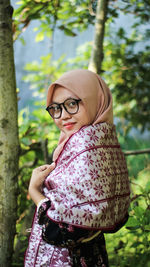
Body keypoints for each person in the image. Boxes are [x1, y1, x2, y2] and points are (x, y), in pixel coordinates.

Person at [24, 69, 130, 267]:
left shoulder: (86, 147)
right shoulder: (103, 140)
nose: (63, 116)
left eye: (72, 104)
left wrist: (35, 191)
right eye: (55, 108)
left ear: (93, 100)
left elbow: (60, 231)